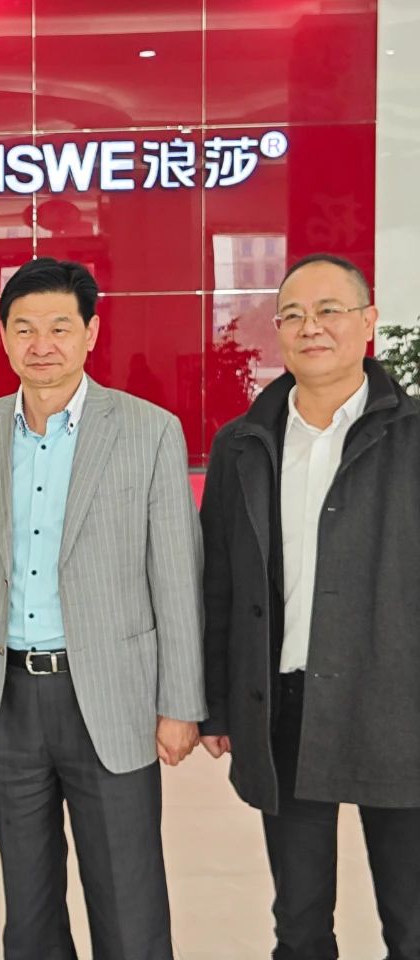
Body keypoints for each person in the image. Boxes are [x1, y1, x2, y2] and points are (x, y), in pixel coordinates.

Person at [0, 258, 205, 960]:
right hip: (5, 702)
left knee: (129, 908)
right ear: (3, 336)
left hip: (112, 699)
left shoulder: (148, 430)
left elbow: (177, 575)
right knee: (28, 913)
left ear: (91, 332)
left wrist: (180, 704)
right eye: (24, 328)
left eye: (60, 327)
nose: (42, 344)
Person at [200, 253, 420, 960]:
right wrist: (218, 705)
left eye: (329, 311)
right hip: (286, 706)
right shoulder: (243, 444)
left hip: (400, 704)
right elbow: (220, 584)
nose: (310, 327)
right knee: (299, 925)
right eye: (292, 314)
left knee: (413, 922)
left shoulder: (412, 435)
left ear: (368, 322)